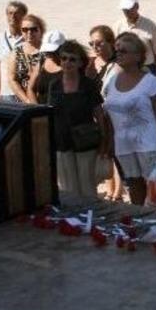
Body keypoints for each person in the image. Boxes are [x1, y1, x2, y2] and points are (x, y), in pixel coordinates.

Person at [102, 32, 156, 206]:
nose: (118, 54)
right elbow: (109, 114)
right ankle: (139, 218)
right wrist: (110, 141)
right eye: (117, 51)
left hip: (149, 144)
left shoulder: (151, 81)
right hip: (123, 144)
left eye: (123, 51)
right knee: (134, 185)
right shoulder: (112, 80)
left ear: (138, 56)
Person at [48, 40, 108, 199]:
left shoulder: (88, 85)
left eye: (72, 59)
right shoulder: (54, 84)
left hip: (85, 140)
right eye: (64, 58)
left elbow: (99, 113)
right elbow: (50, 113)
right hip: (61, 141)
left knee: (88, 187)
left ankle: (91, 213)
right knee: (67, 189)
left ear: (81, 63)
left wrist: (104, 139)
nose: (67, 62)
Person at [86, 25, 123, 202]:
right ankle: (110, 189)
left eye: (99, 43)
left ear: (111, 43)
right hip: (102, 114)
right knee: (106, 151)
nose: (95, 47)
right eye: (92, 44)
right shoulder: (96, 64)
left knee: (114, 151)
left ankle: (118, 191)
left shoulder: (118, 64)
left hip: (115, 115)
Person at [114, 0, 156, 73]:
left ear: (137, 6)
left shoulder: (150, 25)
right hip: (125, 68)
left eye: (129, 9)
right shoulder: (118, 26)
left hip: (147, 67)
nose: (127, 12)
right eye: (124, 9)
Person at [0, 1, 26, 101]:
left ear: (24, 16)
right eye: (10, 13)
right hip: (6, 93)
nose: (13, 16)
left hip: (26, 91)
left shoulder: (30, 38)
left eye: (17, 13)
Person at [7, 14, 45, 103]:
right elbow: (12, 79)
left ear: (41, 30)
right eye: (25, 30)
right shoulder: (16, 52)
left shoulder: (48, 51)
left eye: (33, 29)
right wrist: (27, 100)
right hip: (23, 103)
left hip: (45, 100)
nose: (29, 32)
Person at [27, 30, 66, 104]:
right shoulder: (42, 62)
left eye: (52, 51)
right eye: (47, 51)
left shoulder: (71, 65)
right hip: (41, 109)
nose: (48, 53)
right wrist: (37, 108)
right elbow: (30, 88)